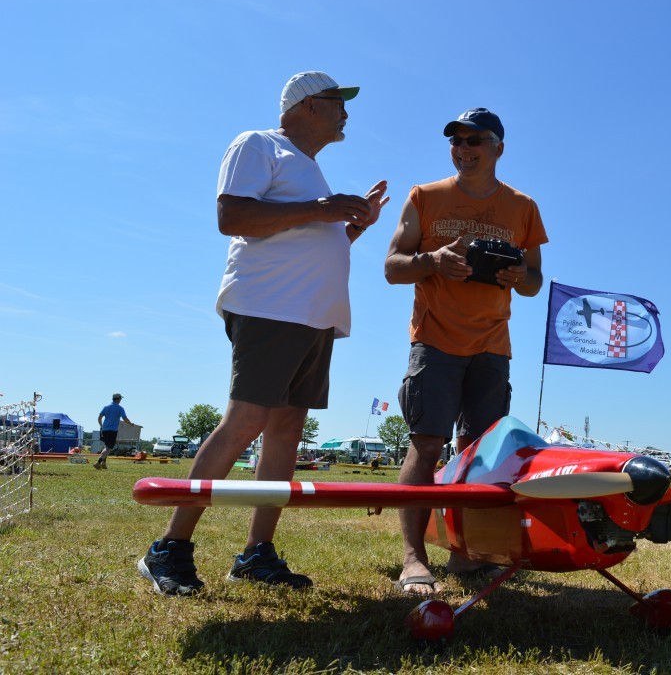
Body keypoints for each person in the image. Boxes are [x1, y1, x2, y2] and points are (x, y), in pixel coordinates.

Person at [137, 71, 389, 596]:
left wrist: (352, 226)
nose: (346, 112)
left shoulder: (311, 170)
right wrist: (323, 209)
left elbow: (303, 238)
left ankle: (256, 553)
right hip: (271, 308)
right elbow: (233, 216)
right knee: (246, 421)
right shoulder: (258, 143)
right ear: (307, 105)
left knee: (287, 430)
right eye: (338, 101)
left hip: (312, 316)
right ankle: (168, 548)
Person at [384, 108, 548, 596]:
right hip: (434, 341)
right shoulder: (424, 196)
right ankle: (414, 559)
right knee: (426, 445)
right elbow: (392, 267)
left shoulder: (523, 207)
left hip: (492, 347)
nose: (463, 148)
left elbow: (535, 282)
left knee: (478, 454)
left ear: (498, 147)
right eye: (455, 140)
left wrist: (518, 276)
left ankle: (465, 554)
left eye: (474, 140)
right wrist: (433, 260)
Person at [96, 393, 134, 469]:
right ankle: (98, 463)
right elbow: (124, 418)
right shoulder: (120, 408)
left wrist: (101, 426)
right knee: (108, 449)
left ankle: (104, 464)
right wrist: (130, 424)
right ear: (119, 399)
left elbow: (99, 418)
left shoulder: (106, 407)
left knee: (106, 446)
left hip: (104, 430)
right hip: (112, 431)